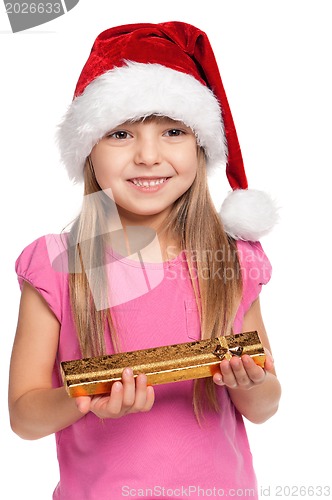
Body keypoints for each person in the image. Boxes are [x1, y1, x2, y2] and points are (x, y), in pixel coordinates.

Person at [8, 22, 281, 500]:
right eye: (120, 134)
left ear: (200, 147)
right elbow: (25, 417)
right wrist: (85, 398)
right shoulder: (56, 263)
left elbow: (263, 406)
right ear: (88, 151)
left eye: (173, 130)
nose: (149, 155)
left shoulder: (232, 260)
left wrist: (250, 382)